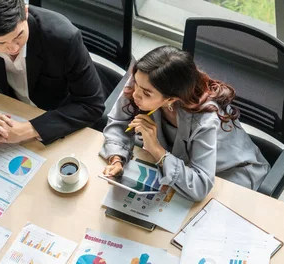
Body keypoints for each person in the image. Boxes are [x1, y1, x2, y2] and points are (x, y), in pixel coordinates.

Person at [100, 45, 270, 202]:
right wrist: (116, 158)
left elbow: (200, 186)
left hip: (229, 174)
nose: (135, 94)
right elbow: (119, 122)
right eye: (135, 83)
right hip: (183, 168)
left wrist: (156, 149)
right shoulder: (144, 82)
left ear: (171, 99)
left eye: (146, 93)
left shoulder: (205, 120)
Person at [0, 0, 104, 146]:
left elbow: (92, 104)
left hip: (51, 115)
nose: (13, 48)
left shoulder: (64, 38)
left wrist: (26, 130)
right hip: (4, 104)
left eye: (19, 36)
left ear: (25, 11)